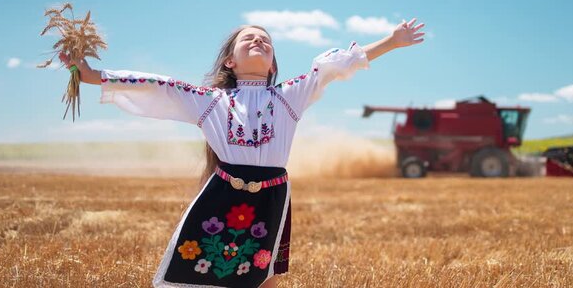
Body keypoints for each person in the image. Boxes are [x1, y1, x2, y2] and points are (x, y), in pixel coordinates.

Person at [59, 18, 425, 288]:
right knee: (194, 269)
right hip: (220, 194)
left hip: (270, 196)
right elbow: (157, 85)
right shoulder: (209, 101)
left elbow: (337, 67)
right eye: (248, 38)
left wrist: (391, 41)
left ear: (273, 65)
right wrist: (92, 75)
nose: (259, 41)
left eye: (266, 41)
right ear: (229, 62)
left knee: (260, 277)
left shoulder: (290, 95)